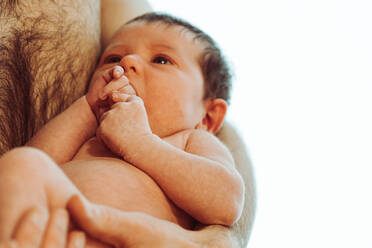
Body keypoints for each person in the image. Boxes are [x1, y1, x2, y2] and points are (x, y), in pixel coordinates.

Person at [0, 0, 256, 247]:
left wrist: (140, 143)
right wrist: (87, 109)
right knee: (22, 163)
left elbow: (227, 201)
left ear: (208, 117)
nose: (127, 62)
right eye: (112, 58)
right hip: (44, 234)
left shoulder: (190, 141)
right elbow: (36, 159)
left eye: (161, 60)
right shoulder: (89, 136)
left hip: (130, 239)